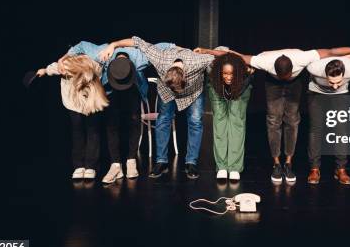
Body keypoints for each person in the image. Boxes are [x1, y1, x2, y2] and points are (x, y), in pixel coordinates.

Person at [199, 45, 350, 184]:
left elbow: (331, 51)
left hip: (294, 84)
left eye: (286, 75)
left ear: (291, 70)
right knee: (273, 121)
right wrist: (207, 51)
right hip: (272, 84)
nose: (284, 77)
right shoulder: (265, 61)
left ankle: (288, 163)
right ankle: (276, 164)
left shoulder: (302, 58)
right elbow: (234, 55)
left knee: (292, 121)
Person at [99, 37, 214, 180]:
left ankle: (191, 163)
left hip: (193, 91)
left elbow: (219, 58)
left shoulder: (198, 61)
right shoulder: (160, 58)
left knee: (195, 121)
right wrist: (113, 45)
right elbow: (137, 41)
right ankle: (161, 162)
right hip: (166, 91)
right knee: (163, 120)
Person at [66, 41, 172, 183]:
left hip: (133, 88)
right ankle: (115, 165)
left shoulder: (140, 58)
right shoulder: (102, 53)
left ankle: (131, 161)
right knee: (112, 124)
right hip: (111, 88)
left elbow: (164, 46)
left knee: (134, 122)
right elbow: (80, 45)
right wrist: (62, 59)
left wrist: (179, 49)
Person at [36, 55, 109, 180]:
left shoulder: (93, 64)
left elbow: (102, 73)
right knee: (77, 131)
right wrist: (44, 70)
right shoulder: (66, 64)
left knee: (93, 131)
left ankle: (91, 166)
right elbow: (53, 68)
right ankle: (79, 166)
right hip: (73, 101)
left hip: (90, 99)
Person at [306, 56, 350, 185]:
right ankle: (314, 168)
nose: (334, 86)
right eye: (331, 82)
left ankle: (341, 169)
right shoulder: (314, 67)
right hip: (316, 93)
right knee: (315, 130)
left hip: (341, 95)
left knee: (341, 130)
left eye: (338, 82)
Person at [202, 49, 254, 181]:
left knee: (236, 125)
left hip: (240, 90)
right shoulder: (212, 72)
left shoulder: (245, 73)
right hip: (217, 90)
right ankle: (222, 167)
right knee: (220, 125)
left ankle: (235, 167)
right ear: (219, 71)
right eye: (225, 73)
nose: (228, 77)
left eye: (232, 74)